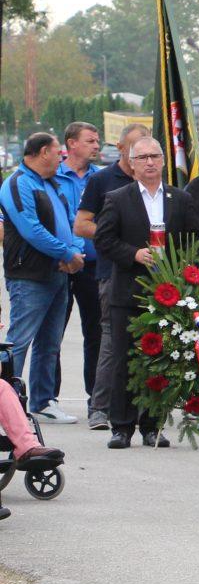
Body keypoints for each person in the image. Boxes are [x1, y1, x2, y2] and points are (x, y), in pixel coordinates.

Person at [90, 133, 199, 449]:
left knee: (160, 360)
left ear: (164, 161)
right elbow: (104, 240)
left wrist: (180, 265)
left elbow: (195, 240)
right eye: (142, 158)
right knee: (124, 360)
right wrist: (134, 254)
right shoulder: (117, 198)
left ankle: (153, 425)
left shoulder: (180, 199)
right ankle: (121, 427)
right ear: (131, 163)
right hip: (128, 292)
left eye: (155, 156)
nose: (150, 162)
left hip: (168, 293)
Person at [1, 133, 86, 424]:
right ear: (42, 152)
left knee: (50, 343)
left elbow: (71, 221)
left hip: (58, 273)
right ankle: (6, 403)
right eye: (57, 152)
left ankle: (43, 401)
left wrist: (75, 250)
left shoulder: (51, 183)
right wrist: (66, 253)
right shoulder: (17, 183)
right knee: (19, 342)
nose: (61, 158)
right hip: (29, 276)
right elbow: (31, 229)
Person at [52, 121, 103, 427]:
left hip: (93, 266)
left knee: (95, 332)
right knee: (52, 333)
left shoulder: (101, 178)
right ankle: (49, 398)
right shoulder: (51, 176)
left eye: (97, 141)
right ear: (71, 143)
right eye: (90, 141)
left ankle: (97, 398)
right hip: (59, 264)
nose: (96, 146)